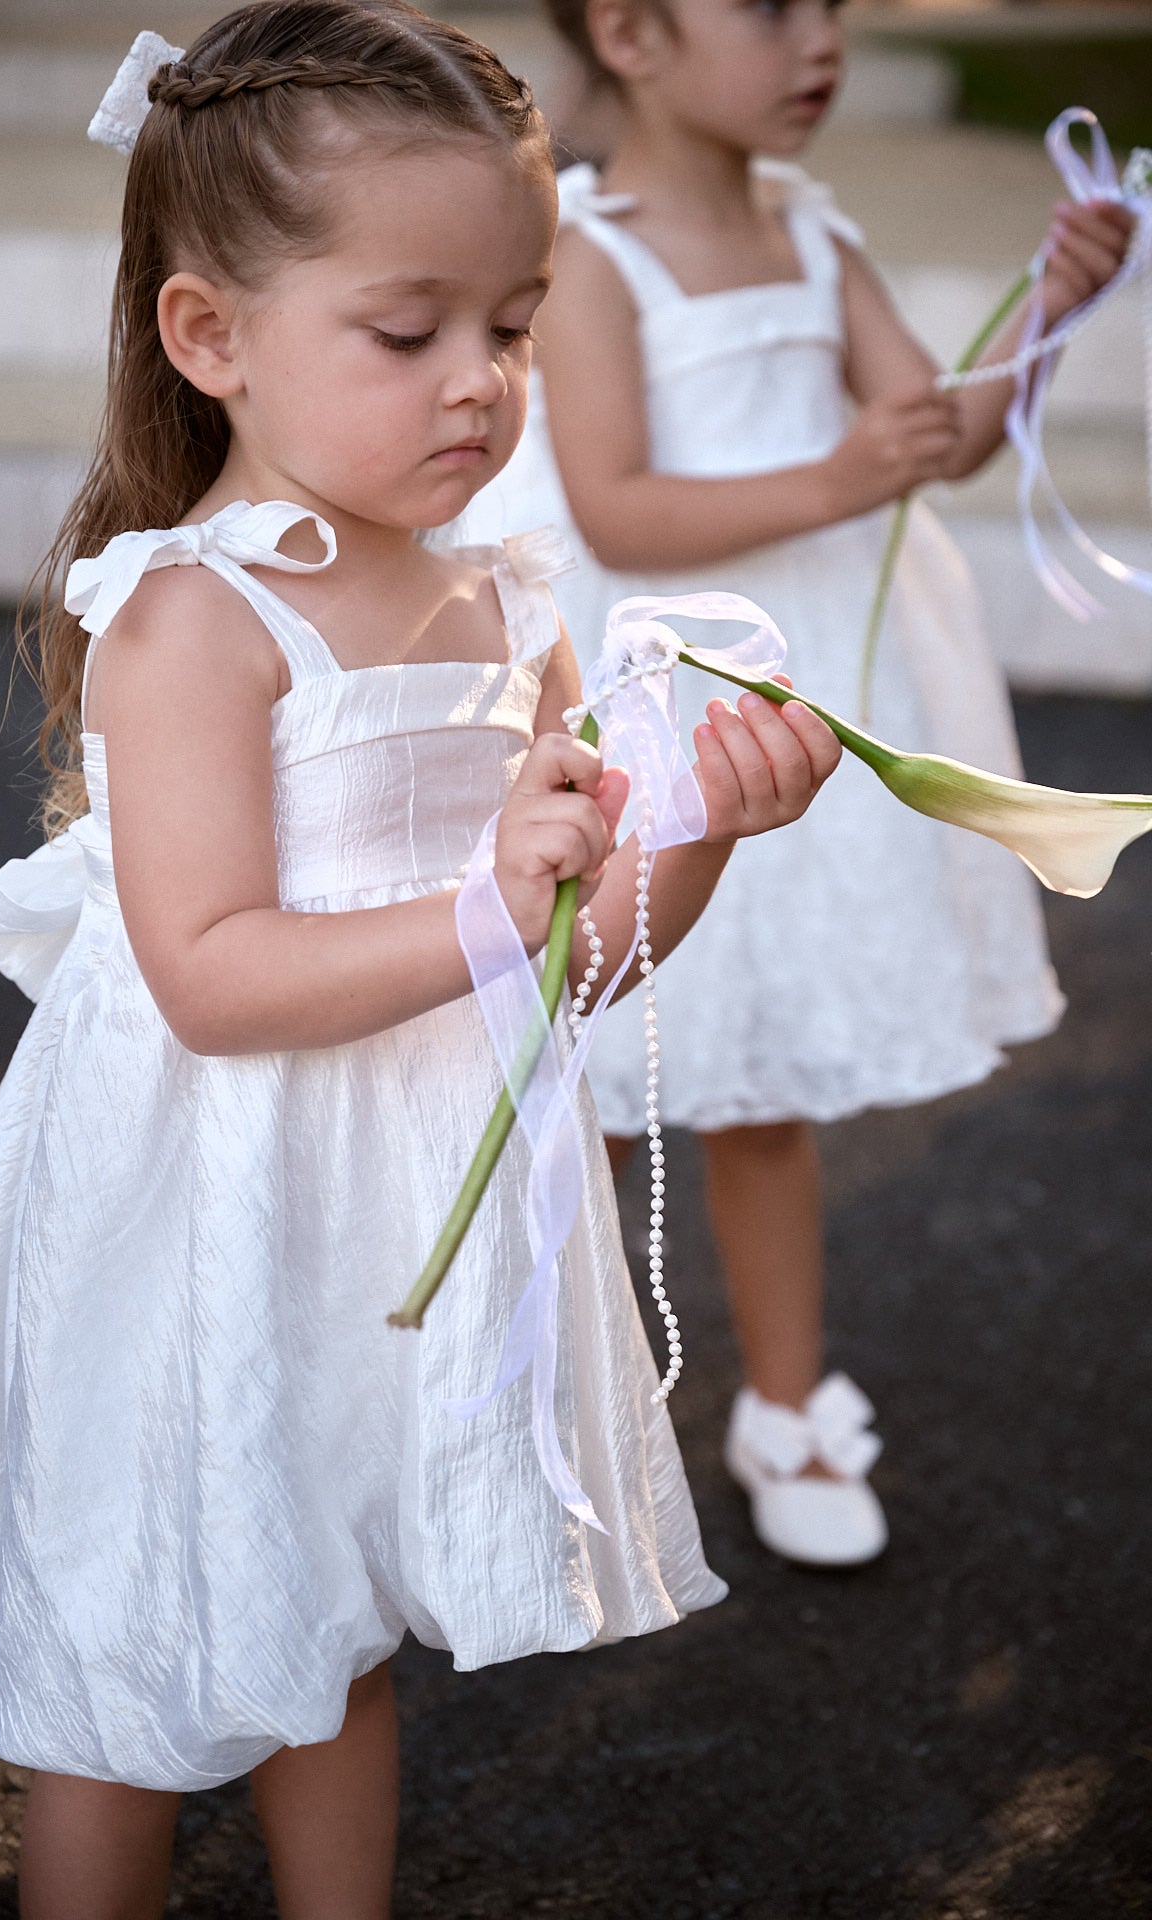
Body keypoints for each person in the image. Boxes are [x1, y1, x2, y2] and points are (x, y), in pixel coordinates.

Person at [0, 4, 841, 1914]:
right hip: (202, 1206)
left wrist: (702, 835)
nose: (480, 382)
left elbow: (585, 963)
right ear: (209, 336)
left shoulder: (511, 596)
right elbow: (216, 973)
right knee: (127, 1656)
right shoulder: (193, 621)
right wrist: (489, 899)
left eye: (514, 321)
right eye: (410, 334)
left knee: (340, 1616)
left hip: (397, 1203)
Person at [456, 0, 1133, 1569]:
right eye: (774, 8)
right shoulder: (594, 255)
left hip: (798, 710)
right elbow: (620, 510)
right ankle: (567, 1409)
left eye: (835, 8)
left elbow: (939, 439)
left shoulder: (817, 232)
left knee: (753, 1092)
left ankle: (782, 1397)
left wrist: (1048, 308)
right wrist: (841, 470)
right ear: (629, 32)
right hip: (668, 692)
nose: (819, 39)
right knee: (599, 1079)